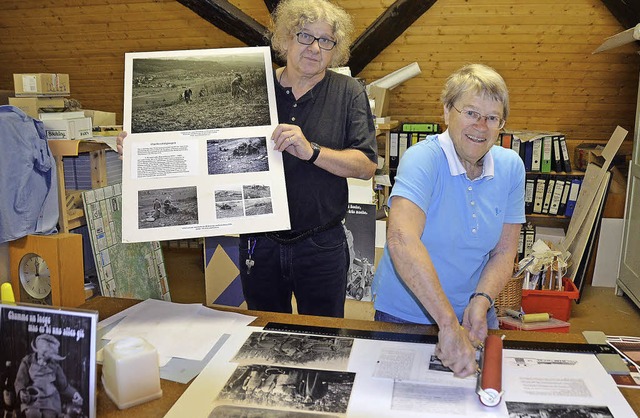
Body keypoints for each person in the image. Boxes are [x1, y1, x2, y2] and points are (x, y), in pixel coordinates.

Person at [117, 0, 377, 318]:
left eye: (325, 40)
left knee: (323, 337)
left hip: (320, 243)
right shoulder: (256, 86)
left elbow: (365, 165)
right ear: (285, 38)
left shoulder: (348, 92)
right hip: (260, 242)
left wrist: (312, 152)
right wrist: (143, 147)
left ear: (335, 48)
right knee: (263, 333)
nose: (314, 48)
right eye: (305, 36)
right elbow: (201, 144)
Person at [372, 63, 525, 377]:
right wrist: (447, 323)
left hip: (475, 314)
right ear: (446, 112)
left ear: (502, 124)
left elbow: (504, 251)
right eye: (470, 112)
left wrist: (481, 303)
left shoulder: (511, 167)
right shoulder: (422, 158)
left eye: (492, 118)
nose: (480, 126)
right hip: (408, 315)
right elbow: (402, 239)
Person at [14, 334, 83, 418]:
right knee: (31, 414)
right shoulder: (27, 361)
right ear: (39, 352)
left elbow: (64, 386)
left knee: (49, 415)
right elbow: (19, 381)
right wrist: (21, 391)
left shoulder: (55, 366)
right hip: (32, 399)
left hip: (50, 401)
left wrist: (74, 394)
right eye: (43, 356)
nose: (44, 360)